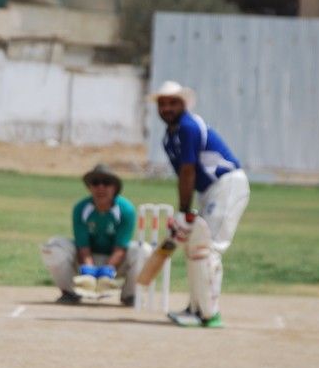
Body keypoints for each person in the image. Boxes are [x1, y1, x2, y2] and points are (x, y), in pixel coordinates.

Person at [149, 80, 250, 328]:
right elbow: (186, 177)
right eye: (162, 104)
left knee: (208, 248)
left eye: (172, 103)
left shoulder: (188, 127)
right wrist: (186, 214)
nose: (167, 108)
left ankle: (209, 313)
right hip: (209, 191)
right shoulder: (169, 137)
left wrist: (183, 212)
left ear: (183, 104)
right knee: (194, 247)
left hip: (227, 185)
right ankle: (196, 307)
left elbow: (188, 172)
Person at [41, 164, 143, 306]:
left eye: (106, 183)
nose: (100, 187)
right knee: (53, 247)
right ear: (89, 187)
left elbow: (120, 248)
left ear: (114, 188)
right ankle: (70, 293)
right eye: (95, 183)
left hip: (116, 263)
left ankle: (129, 295)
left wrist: (106, 272)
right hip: (86, 260)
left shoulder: (126, 210)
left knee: (143, 251)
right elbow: (83, 246)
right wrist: (89, 273)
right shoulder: (81, 208)